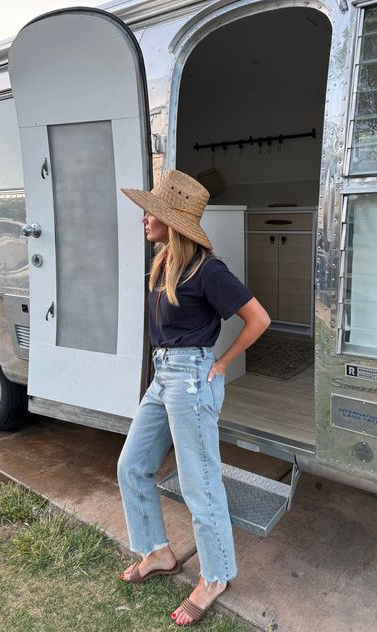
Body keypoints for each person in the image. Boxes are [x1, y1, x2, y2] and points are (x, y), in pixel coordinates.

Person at [116, 169, 271, 626]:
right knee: (131, 466)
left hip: (190, 378)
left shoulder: (209, 270)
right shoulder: (165, 262)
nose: (144, 218)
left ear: (173, 222)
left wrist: (220, 366)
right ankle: (158, 552)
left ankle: (216, 575)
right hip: (164, 376)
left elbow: (258, 319)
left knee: (198, 483)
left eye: (152, 212)